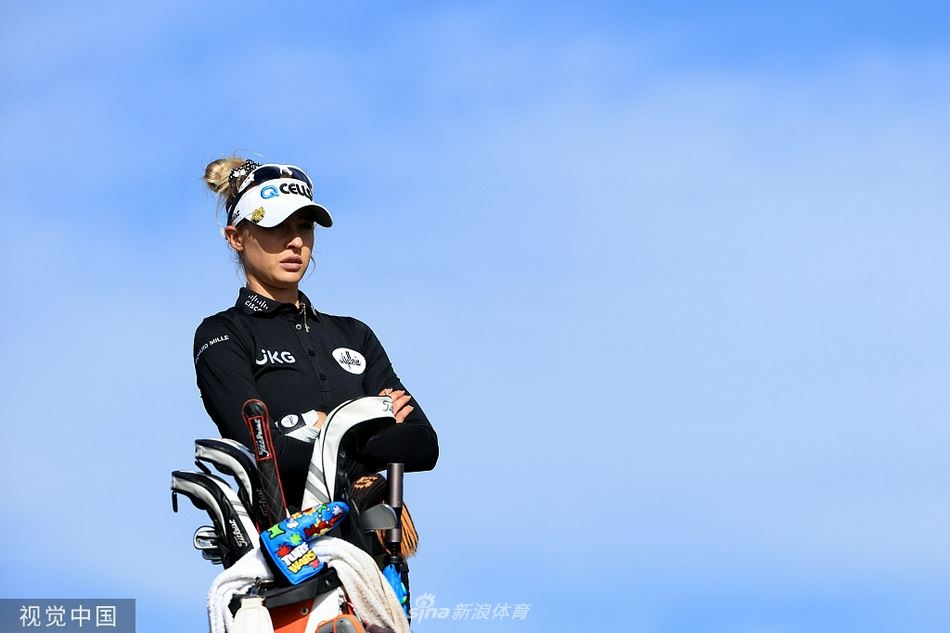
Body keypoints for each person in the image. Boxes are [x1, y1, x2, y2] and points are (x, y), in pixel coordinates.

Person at [193, 157, 439, 513]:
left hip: (368, 539)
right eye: (277, 226)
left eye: (304, 227)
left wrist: (325, 428)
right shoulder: (223, 333)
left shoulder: (354, 334)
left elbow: (423, 445)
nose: (295, 241)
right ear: (236, 238)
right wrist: (370, 427)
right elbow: (265, 453)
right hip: (276, 538)